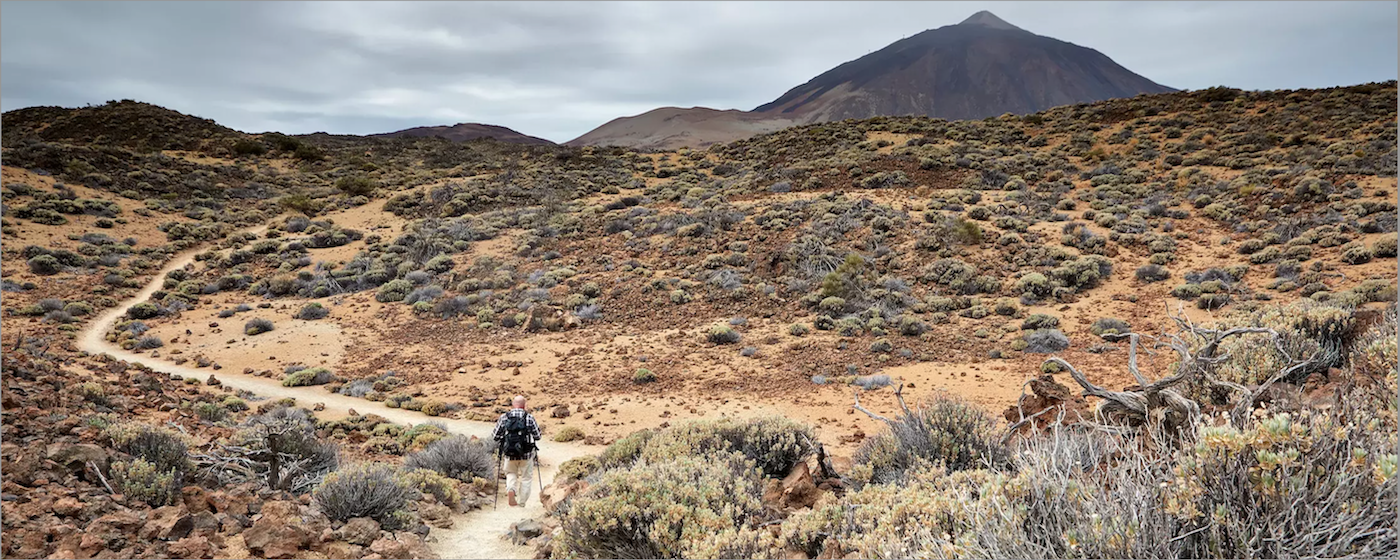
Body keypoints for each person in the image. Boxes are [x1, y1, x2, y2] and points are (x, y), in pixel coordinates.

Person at [491, 395, 542, 507]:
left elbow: (495, 436)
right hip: (526, 454)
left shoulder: (504, 417)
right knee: (526, 477)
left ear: (513, 405)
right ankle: (522, 502)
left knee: (510, 473)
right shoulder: (529, 417)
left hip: (509, 453)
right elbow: (538, 436)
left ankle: (511, 490)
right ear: (524, 406)